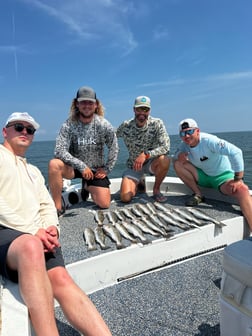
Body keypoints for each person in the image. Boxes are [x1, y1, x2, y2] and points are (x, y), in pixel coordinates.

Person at [0, 112, 112, 336]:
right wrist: (34, 232)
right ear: (5, 131)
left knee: (61, 279)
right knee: (31, 246)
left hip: (40, 234)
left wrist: (52, 228)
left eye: (29, 130)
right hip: (8, 233)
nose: (24, 132)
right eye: (18, 127)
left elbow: (47, 205)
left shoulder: (33, 171)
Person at [48, 86, 119, 215]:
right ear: (77, 103)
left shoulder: (104, 124)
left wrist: (107, 169)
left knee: (104, 204)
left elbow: (114, 147)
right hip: (74, 168)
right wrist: (81, 166)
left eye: (90, 102)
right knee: (54, 164)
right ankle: (57, 207)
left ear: (96, 104)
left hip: (95, 170)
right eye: (83, 102)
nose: (87, 105)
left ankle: (87, 185)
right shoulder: (68, 124)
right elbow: (59, 151)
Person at [173, 118, 252, 231]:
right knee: (177, 164)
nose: (186, 136)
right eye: (183, 133)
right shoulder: (184, 145)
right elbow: (174, 156)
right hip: (202, 175)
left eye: (190, 131)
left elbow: (236, 152)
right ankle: (198, 194)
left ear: (197, 131)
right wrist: (179, 155)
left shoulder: (209, 141)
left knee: (243, 190)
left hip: (222, 177)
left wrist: (238, 179)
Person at [116, 95, 170, 203]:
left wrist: (146, 154)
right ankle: (139, 181)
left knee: (165, 160)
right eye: (139, 109)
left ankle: (156, 190)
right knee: (125, 198)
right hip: (134, 166)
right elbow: (111, 137)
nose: (142, 113)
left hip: (151, 163)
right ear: (134, 110)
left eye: (145, 109)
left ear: (149, 110)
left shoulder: (157, 123)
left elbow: (166, 147)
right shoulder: (126, 126)